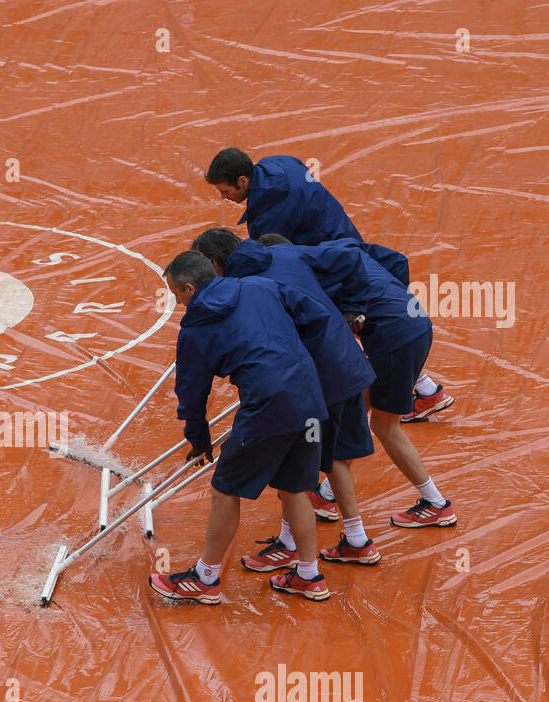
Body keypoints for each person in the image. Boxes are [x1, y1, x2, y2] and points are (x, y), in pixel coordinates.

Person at [204, 147, 454, 426]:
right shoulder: (280, 162)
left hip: (326, 268)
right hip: (345, 244)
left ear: (243, 180)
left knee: (351, 325)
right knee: (375, 323)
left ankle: (362, 409)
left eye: (225, 191)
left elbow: (271, 258)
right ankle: (426, 390)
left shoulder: (267, 215)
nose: (223, 198)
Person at [147, 251, 331, 605]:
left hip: (269, 404)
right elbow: (316, 315)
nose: (178, 303)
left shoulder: (196, 328)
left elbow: (192, 391)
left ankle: (205, 579)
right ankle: (310, 576)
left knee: (224, 489)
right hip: (309, 396)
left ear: (189, 287)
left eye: (177, 295)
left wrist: (199, 439)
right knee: (296, 488)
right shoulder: (261, 286)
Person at [193, 228, 382, 568]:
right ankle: (356, 540)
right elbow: (352, 254)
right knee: (334, 457)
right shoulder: (285, 253)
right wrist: (353, 310)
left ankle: (291, 548)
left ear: (213, 263)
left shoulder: (244, 288)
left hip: (314, 378)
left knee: (296, 466)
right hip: (348, 363)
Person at [260, 234, 458, 529]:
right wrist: (390, 302)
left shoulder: (308, 275)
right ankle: (327, 495)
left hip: (394, 341)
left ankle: (436, 503)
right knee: (352, 411)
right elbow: (396, 261)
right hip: (414, 324)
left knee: (383, 426)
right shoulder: (334, 247)